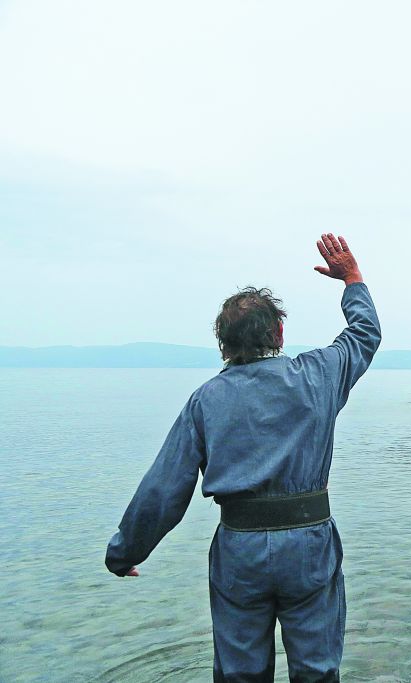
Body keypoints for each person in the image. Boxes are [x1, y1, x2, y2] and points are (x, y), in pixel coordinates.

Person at [104, 234, 380, 681]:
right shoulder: (318, 376)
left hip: (240, 550)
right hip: (309, 543)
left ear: (224, 344)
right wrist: (352, 280)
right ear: (280, 333)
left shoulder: (206, 400)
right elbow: (364, 334)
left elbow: (164, 489)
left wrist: (125, 552)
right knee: (317, 672)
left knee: (240, 675)